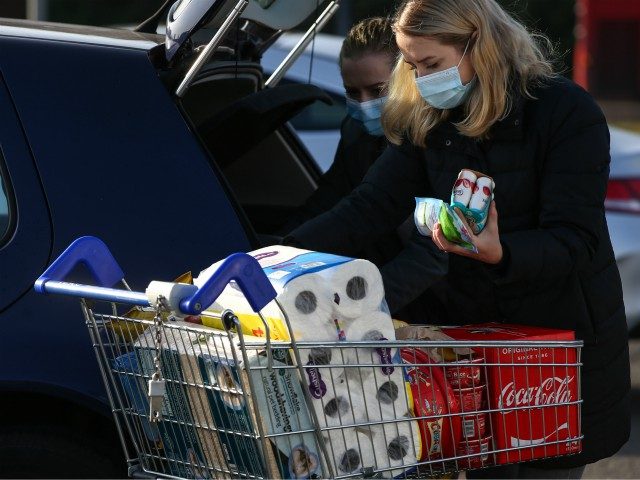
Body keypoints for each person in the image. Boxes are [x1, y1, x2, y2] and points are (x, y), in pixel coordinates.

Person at [285, 0, 630, 476]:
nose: (422, 80)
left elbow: (577, 240)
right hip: (473, 350)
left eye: (432, 64)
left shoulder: (564, 111)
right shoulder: (429, 117)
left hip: (554, 353)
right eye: (411, 66)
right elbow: (368, 207)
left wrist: (501, 252)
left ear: (478, 45)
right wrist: (277, 258)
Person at [284, 16, 448, 322]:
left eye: (378, 90)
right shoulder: (357, 134)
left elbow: (434, 253)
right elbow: (333, 201)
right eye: (352, 92)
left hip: (444, 300)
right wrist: (280, 252)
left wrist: (364, 307)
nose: (364, 104)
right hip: (390, 292)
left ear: (408, 77)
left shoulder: (437, 139)